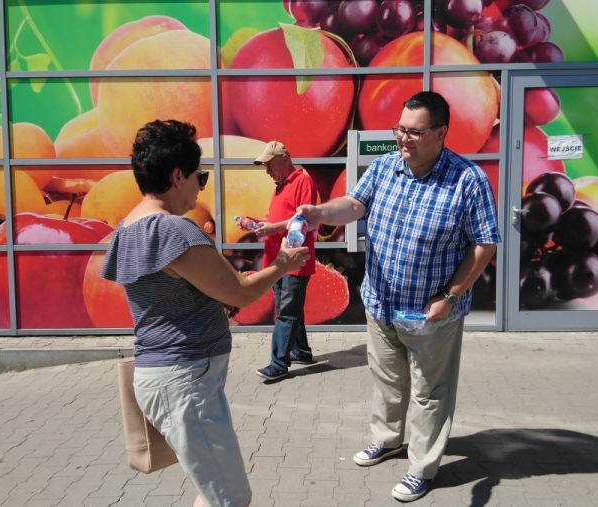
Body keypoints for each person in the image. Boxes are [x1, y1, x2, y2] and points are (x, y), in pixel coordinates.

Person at [297, 91, 500, 502]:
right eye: (400, 130)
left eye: (415, 132)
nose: (404, 139)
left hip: (431, 312)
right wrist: (321, 213)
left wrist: (450, 296)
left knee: (429, 393)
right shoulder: (385, 166)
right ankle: (388, 440)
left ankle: (422, 468)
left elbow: (485, 243)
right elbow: (354, 205)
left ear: (441, 132)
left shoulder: (468, 179)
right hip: (381, 303)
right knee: (387, 380)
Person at [100, 120, 309, 507]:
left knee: (213, 493)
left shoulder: (128, 227)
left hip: (170, 380)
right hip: (184, 384)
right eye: (201, 176)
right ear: (177, 176)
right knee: (232, 499)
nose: (201, 187)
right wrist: (283, 263)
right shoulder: (173, 230)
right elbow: (242, 292)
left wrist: (214, 297)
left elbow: (167, 292)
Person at [237, 141, 319, 381]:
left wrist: (272, 228)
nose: (267, 171)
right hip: (278, 260)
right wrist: (258, 223)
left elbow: (303, 220)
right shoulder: (279, 187)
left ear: (284, 159)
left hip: (294, 260)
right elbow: (277, 220)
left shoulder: (303, 182)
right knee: (290, 309)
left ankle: (279, 364)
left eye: (269, 165)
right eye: (265, 166)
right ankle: (301, 351)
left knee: (287, 312)